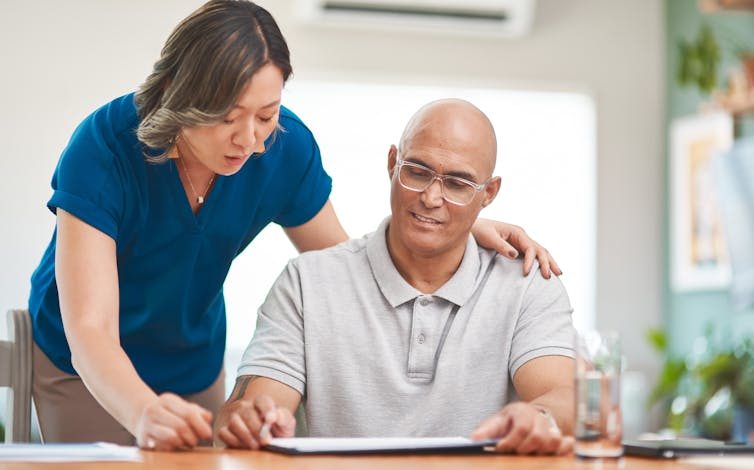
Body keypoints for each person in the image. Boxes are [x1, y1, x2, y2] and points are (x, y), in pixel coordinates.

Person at [28, 0, 560, 451]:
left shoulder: (284, 148)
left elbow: (353, 272)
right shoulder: (104, 147)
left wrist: (454, 230)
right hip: (82, 365)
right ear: (179, 92)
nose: (249, 139)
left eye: (266, 113)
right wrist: (142, 411)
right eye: (227, 116)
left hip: (191, 359)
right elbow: (91, 330)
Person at [214, 99, 576, 455]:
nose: (432, 197)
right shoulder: (306, 283)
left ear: (489, 194)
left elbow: (566, 397)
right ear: (392, 164)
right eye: (417, 172)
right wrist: (248, 420)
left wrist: (540, 417)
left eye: (457, 184)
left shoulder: (526, 283)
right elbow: (254, 405)